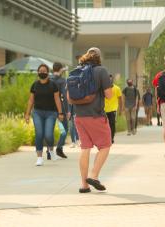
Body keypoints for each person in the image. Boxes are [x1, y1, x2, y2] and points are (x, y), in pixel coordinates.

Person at [67, 47, 112, 193]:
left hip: (79, 116)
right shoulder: (101, 71)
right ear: (99, 57)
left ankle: (84, 185)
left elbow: (69, 97)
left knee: (85, 148)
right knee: (105, 145)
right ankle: (94, 175)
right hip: (95, 116)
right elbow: (109, 95)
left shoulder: (76, 71)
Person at [25, 64, 64, 166]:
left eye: (44, 71)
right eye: (40, 71)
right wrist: (27, 114)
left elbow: (57, 99)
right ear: (38, 72)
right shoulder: (35, 85)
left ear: (48, 72)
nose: (42, 72)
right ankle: (39, 158)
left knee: (48, 135)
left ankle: (51, 150)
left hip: (51, 113)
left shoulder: (53, 85)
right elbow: (30, 100)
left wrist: (60, 113)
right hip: (37, 112)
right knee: (39, 134)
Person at [51, 62, 68, 159]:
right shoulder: (62, 81)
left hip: (48, 108)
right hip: (60, 108)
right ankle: (59, 149)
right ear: (61, 69)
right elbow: (64, 97)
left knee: (50, 129)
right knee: (64, 129)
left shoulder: (48, 79)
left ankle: (50, 151)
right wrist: (67, 110)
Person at [104, 74, 123, 143]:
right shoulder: (103, 88)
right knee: (104, 125)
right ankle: (106, 138)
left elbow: (120, 99)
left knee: (112, 124)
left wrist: (121, 109)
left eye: (111, 79)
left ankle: (111, 138)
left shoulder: (117, 88)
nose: (109, 80)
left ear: (112, 80)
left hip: (113, 110)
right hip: (104, 110)